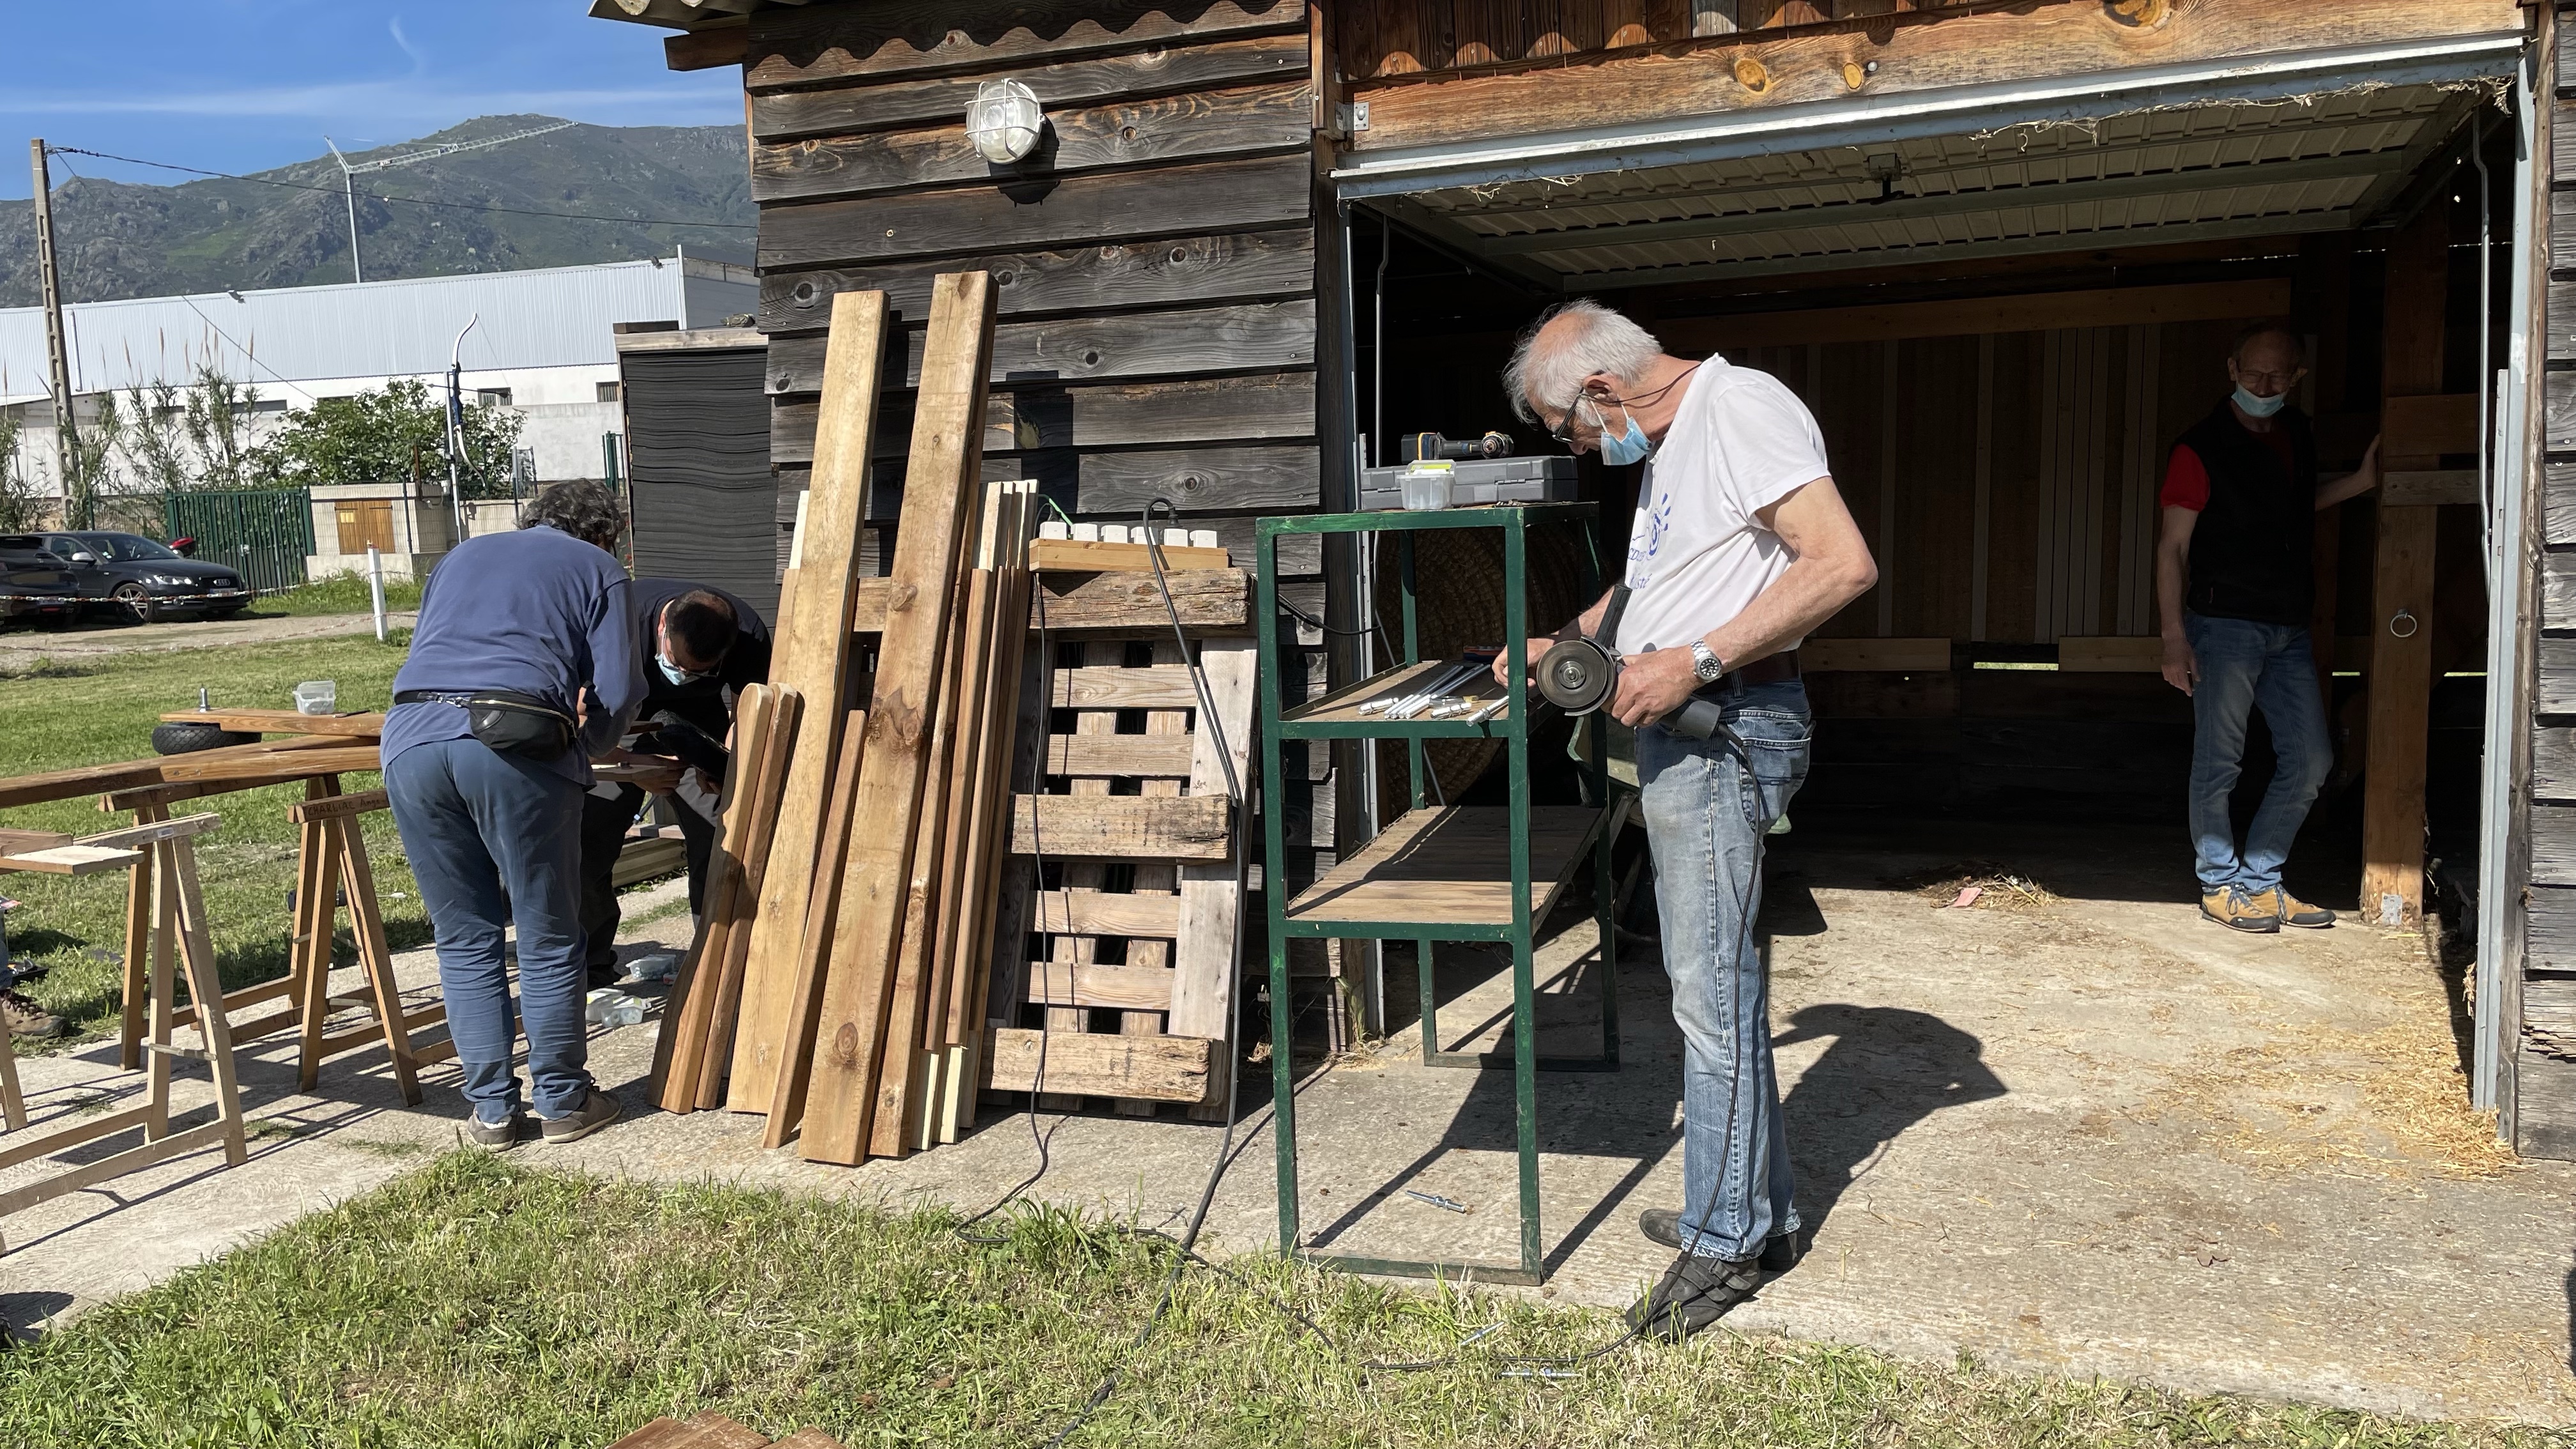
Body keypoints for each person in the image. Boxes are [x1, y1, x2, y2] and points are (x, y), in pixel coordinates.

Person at [1496, 300, 1878, 1338]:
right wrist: (1560, 640)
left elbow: (1840, 564)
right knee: (1717, 991)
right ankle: (1759, 1212)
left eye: (1567, 428)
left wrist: (1694, 662)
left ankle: (1721, 1246)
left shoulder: (1740, 408)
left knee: (1710, 999)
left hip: (1726, 722)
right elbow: (1655, 585)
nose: (1577, 448)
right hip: (1692, 723)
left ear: (1602, 391)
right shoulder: (1674, 446)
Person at [379, 479, 644, 1151]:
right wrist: (590, 745)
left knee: (464, 937)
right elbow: (618, 689)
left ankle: (492, 1114)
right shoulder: (598, 567)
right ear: (604, 534)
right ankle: (562, 1101)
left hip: (410, 738)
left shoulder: (460, 555)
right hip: (514, 741)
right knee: (548, 933)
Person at [2155, 323, 2380, 934]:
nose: (2263, 385)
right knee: (2219, 761)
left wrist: (2359, 482)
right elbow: (2173, 547)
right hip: (2223, 623)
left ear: (2296, 377)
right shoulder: (2199, 448)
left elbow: (2290, 506)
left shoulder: (2296, 433)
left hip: (2288, 627)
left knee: (2312, 760)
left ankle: (2261, 881)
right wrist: (2174, 638)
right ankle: (2219, 883)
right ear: (2231, 369)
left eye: (2277, 375)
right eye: (2253, 373)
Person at [576, 581, 772, 985]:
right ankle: (591, 968)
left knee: (721, 835)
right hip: (615, 726)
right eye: (676, 664)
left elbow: (747, 713)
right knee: (587, 839)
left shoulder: (747, 635)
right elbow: (577, 720)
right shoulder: (617, 620)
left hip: (697, 725)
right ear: (662, 627)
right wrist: (632, 765)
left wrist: (724, 762)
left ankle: (714, 964)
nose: (683, 676)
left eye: (700, 672)